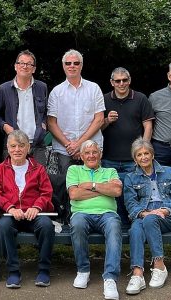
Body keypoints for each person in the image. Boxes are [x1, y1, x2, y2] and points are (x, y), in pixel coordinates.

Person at [0, 130, 55, 289]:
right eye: (13, 146)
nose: (17, 149)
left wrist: (37, 206)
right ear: (8, 148)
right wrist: (9, 206)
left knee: (47, 226)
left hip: (33, 213)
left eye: (21, 146)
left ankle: (44, 270)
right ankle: (13, 271)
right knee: (3, 226)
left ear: (28, 148)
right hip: (11, 214)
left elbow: (46, 193)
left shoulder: (38, 169)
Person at [47, 49, 105, 223]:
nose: (72, 66)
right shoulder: (56, 92)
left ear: (81, 65)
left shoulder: (94, 88)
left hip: (91, 149)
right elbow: (51, 122)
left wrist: (80, 144)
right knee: (65, 187)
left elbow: (99, 119)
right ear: (63, 66)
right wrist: (69, 145)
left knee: (93, 186)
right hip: (65, 150)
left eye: (76, 63)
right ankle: (65, 222)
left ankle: (94, 221)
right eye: (68, 63)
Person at [122, 139, 171, 294]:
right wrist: (145, 213)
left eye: (146, 153)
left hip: (168, 214)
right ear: (134, 158)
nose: (143, 157)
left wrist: (164, 210)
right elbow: (130, 203)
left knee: (149, 220)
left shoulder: (169, 172)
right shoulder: (131, 178)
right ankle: (138, 274)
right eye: (139, 155)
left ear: (152, 154)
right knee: (136, 228)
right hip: (145, 214)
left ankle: (159, 266)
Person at [67, 140, 123, 300]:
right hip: (81, 213)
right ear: (81, 156)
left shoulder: (110, 171)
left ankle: (110, 278)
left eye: (94, 152)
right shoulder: (74, 170)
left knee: (114, 225)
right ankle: (83, 271)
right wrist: (104, 189)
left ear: (100, 155)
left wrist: (90, 185)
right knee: (77, 224)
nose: (91, 155)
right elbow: (74, 195)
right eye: (87, 153)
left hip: (107, 214)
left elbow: (117, 191)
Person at [102, 67, 154, 224]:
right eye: (117, 81)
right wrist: (107, 121)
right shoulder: (104, 99)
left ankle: (134, 225)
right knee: (112, 194)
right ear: (112, 83)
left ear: (129, 81)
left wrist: (143, 151)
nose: (121, 83)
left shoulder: (141, 99)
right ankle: (117, 225)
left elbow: (148, 126)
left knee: (133, 193)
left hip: (133, 159)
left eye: (124, 80)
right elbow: (96, 128)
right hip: (109, 158)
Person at [0, 50, 50, 165]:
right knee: (12, 181)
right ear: (15, 66)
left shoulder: (42, 87)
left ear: (34, 69)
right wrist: (5, 127)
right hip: (14, 145)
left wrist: (43, 126)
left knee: (39, 181)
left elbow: (45, 113)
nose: (25, 66)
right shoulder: (4, 89)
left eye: (29, 64)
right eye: (21, 63)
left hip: (37, 145)